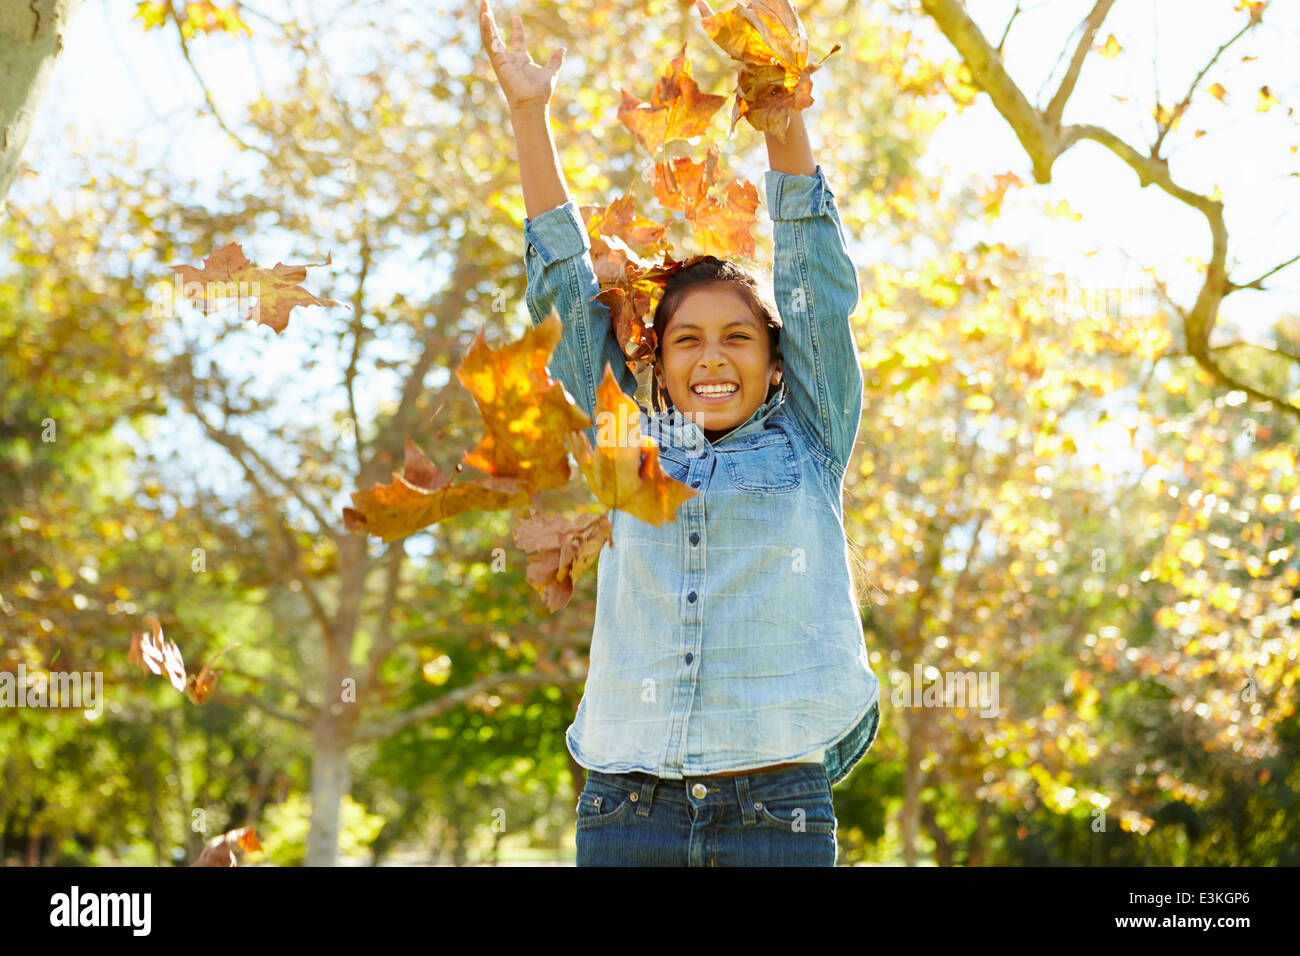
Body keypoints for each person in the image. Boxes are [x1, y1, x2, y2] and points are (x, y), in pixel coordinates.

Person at [480, 0, 879, 866]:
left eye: (739, 337)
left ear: (777, 361)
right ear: (654, 365)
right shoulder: (626, 436)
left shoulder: (810, 439)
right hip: (628, 810)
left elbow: (813, 279)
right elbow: (562, 289)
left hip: (777, 809)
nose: (713, 358)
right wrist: (527, 115)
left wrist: (781, 109)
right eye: (687, 339)